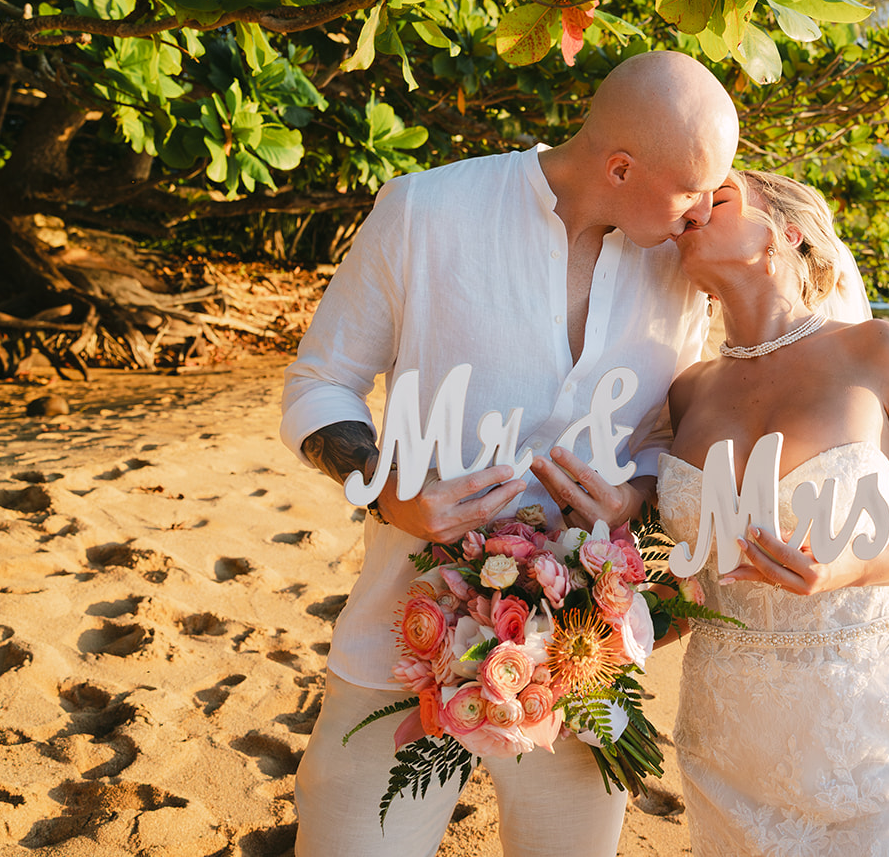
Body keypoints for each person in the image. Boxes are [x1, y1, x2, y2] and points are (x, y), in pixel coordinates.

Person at [279, 50, 739, 857]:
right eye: (693, 189)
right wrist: (388, 488)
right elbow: (321, 382)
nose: (706, 211)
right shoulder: (425, 210)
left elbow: (664, 436)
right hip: (404, 625)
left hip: (584, 648)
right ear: (620, 167)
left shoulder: (678, 263)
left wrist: (632, 498)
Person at [656, 170, 889, 856]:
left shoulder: (878, 351)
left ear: (785, 234)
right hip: (728, 747)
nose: (694, 210)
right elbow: (692, 584)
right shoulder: (687, 392)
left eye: (719, 198)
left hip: (873, 744)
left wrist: (857, 566)